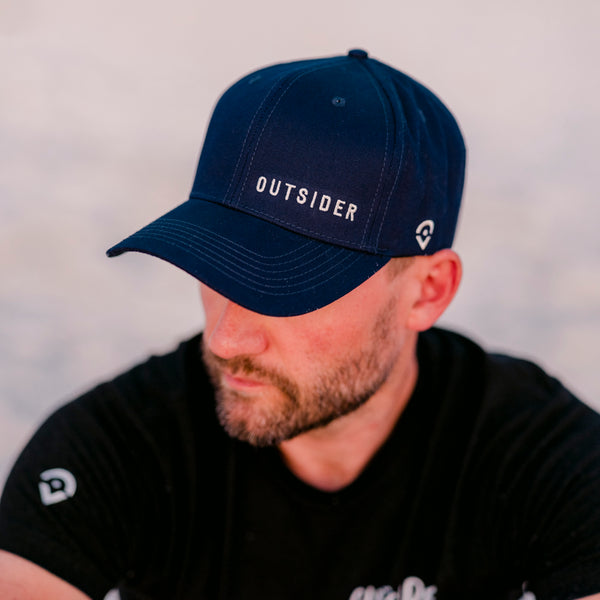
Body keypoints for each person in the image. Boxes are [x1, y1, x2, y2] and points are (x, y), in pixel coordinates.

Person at [0, 49, 598, 600]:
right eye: (217, 264)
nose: (225, 339)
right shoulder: (118, 446)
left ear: (428, 291)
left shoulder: (541, 457)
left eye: (288, 288)